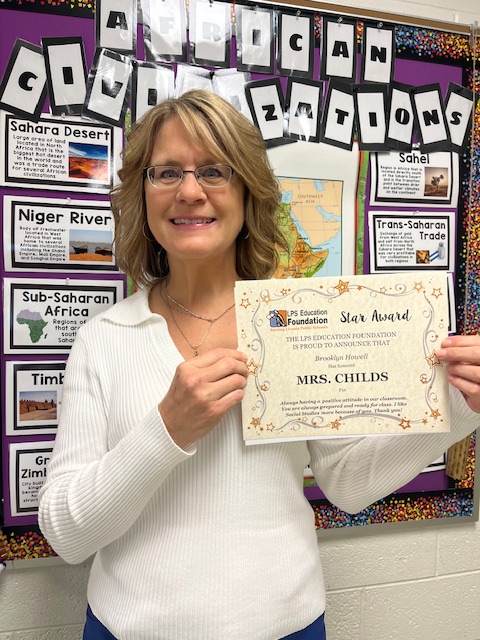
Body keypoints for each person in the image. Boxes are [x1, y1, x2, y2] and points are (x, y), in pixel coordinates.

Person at [38, 89, 480, 640]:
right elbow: (66, 534)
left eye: (214, 171)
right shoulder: (104, 339)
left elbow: (346, 482)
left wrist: (461, 406)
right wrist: (166, 430)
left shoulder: (295, 321)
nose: (190, 191)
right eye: (166, 172)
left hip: (287, 628)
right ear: (142, 194)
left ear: (247, 192)